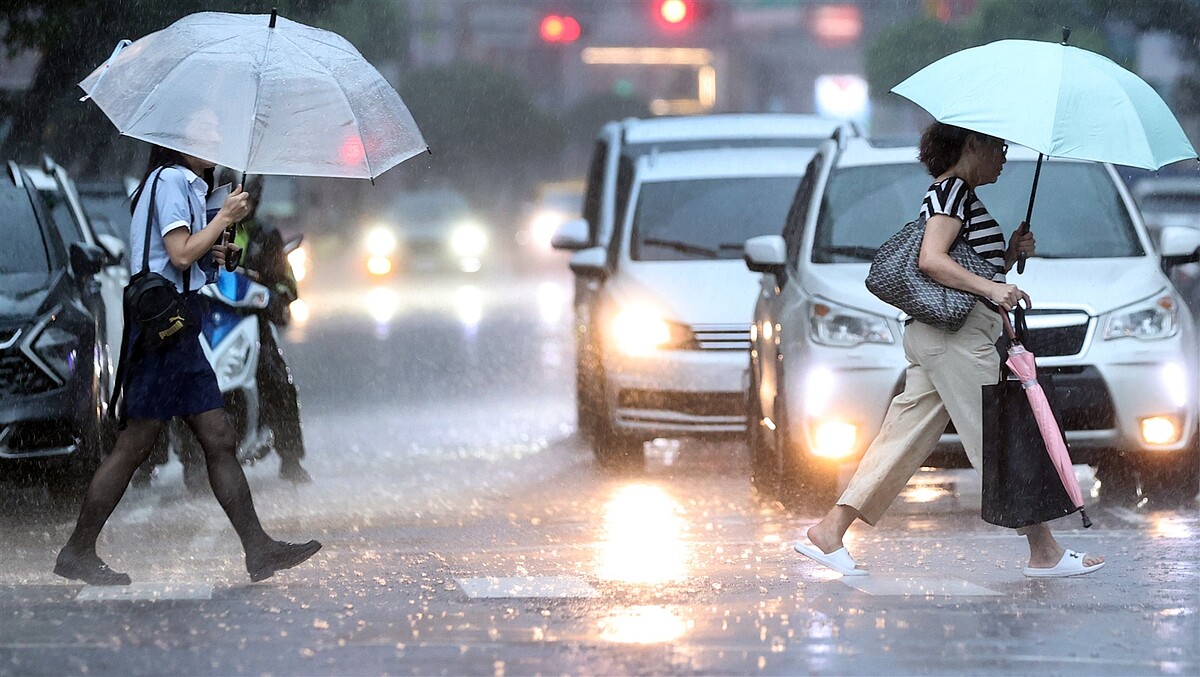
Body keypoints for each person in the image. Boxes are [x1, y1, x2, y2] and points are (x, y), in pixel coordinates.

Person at [793, 123, 1105, 579]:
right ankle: (1045, 551)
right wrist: (994, 289)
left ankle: (830, 531)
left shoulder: (956, 195)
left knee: (903, 439)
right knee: (997, 442)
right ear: (971, 145)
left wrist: (1007, 254)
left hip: (942, 335)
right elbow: (931, 260)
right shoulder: (952, 192)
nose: (1003, 156)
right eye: (998, 146)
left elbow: (957, 261)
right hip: (955, 339)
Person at [54, 144, 321, 586]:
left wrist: (215, 254)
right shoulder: (172, 180)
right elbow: (177, 255)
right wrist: (224, 219)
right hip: (164, 329)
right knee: (135, 444)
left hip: (179, 326)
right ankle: (78, 549)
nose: (216, 147)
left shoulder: (188, 186)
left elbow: (186, 259)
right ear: (182, 144)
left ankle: (257, 548)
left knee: (218, 436)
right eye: (207, 138)